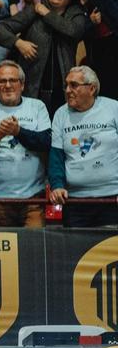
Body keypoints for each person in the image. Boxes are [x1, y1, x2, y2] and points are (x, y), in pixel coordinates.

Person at [0, 0, 90, 115]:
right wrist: (18, 43)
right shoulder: (34, 10)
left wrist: (46, 13)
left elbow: (73, 31)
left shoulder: (76, 14)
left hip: (64, 87)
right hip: (33, 86)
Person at [0, 61, 51, 227]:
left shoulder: (37, 107)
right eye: (2, 81)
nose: (7, 85)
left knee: (35, 248)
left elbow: (46, 142)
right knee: (3, 251)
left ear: (22, 85)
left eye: (13, 80)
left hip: (33, 197)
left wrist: (19, 132)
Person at [50, 65, 118, 227]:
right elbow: (56, 156)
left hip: (112, 198)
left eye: (74, 85)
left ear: (92, 88)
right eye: (66, 85)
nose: (67, 90)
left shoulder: (113, 108)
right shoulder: (61, 114)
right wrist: (57, 185)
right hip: (75, 201)